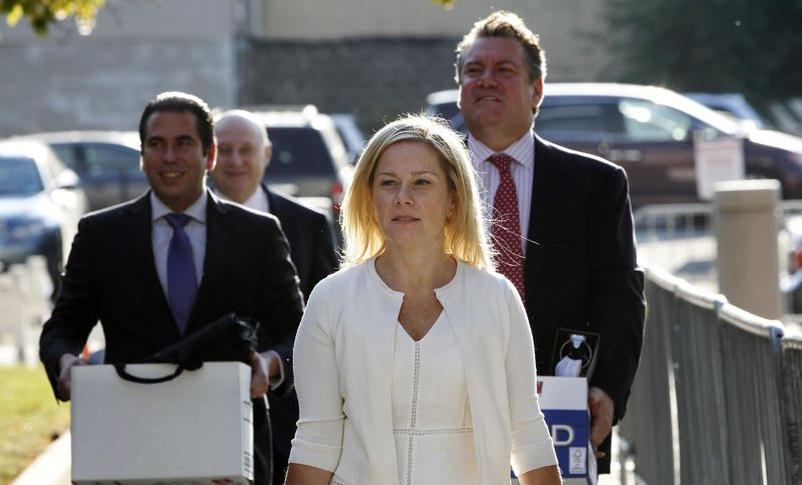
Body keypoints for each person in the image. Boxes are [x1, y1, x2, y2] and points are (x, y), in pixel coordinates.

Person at [39, 92, 305, 485]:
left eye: (184, 143)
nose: (169, 156)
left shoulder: (257, 234)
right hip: (130, 446)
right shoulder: (102, 235)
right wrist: (65, 364)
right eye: (156, 144)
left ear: (208, 156)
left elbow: (297, 333)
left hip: (229, 449)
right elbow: (62, 328)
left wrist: (270, 364)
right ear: (142, 156)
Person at [284, 115, 562, 485]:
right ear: (369, 197)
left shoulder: (496, 298)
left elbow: (526, 430)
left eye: (422, 182)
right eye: (388, 183)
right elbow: (316, 439)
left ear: (453, 197)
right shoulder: (331, 299)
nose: (403, 197)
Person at [455, 10, 646, 473]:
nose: (487, 81)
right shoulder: (427, 177)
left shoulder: (595, 184)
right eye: (474, 71)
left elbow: (619, 295)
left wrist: (608, 391)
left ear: (536, 89)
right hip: (450, 408)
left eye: (504, 71)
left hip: (559, 413)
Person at [212, 109, 339, 481]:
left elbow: (328, 323)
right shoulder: (185, 227)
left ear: (266, 154)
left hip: (292, 418)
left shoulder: (307, 224)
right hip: (206, 414)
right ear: (208, 157)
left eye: (246, 150)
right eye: (225, 150)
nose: (235, 161)